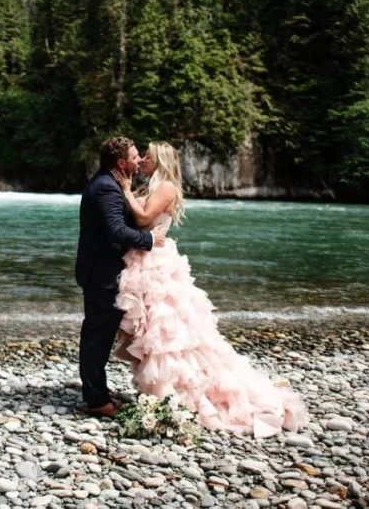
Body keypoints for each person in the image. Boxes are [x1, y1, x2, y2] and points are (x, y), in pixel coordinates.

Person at [114, 141, 308, 437]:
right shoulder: (152, 186)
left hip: (155, 263)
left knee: (166, 331)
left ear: (161, 160)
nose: (141, 161)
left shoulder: (165, 186)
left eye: (148, 156)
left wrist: (126, 189)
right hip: (143, 258)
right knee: (152, 330)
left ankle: (178, 394)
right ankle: (166, 392)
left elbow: (142, 218)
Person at [75, 137, 165, 418]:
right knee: (97, 337)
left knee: (99, 334)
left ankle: (96, 390)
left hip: (102, 270)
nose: (139, 160)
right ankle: (97, 401)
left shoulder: (108, 183)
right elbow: (116, 231)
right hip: (102, 274)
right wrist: (149, 239)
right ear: (121, 163)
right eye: (135, 156)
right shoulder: (106, 188)